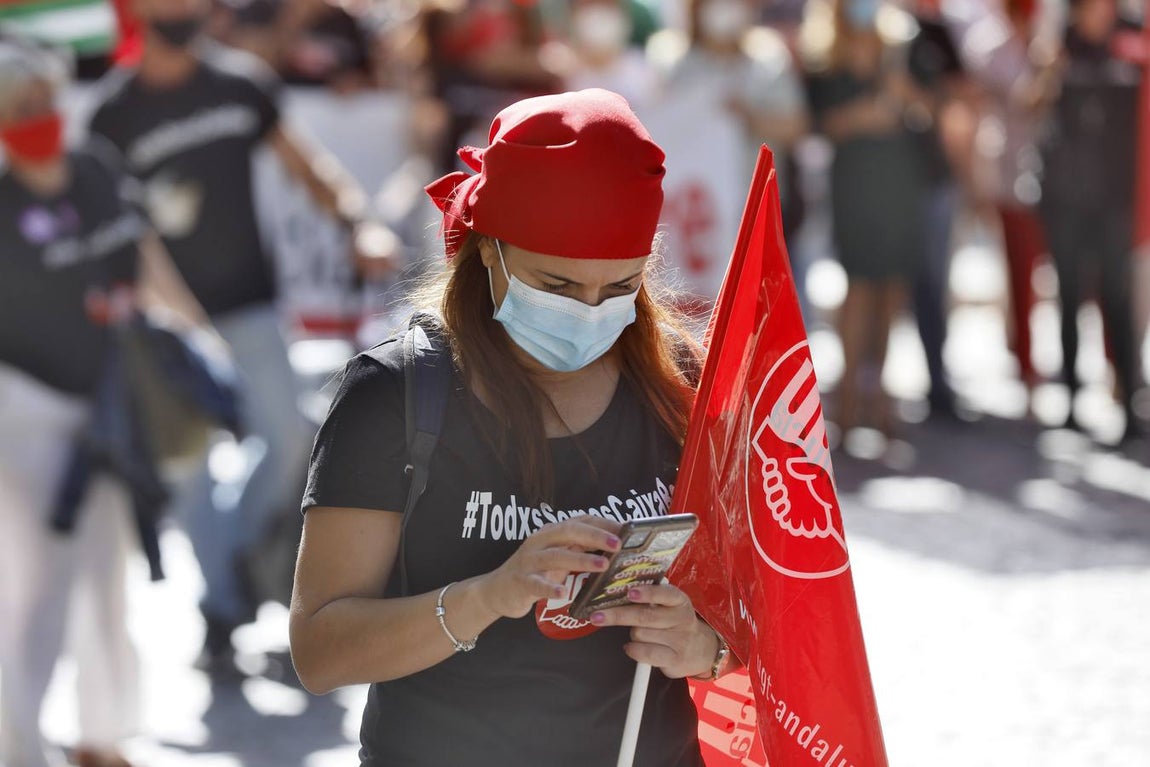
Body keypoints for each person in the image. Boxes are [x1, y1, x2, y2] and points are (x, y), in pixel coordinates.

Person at [289, 89, 732, 766]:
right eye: (556, 286)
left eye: (619, 289)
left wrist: (704, 646)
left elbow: (771, 601)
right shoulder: (396, 395)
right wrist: (490, 594)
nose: (588, 313)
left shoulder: (681, 382)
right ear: (489, 253)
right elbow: (320, 651)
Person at [87, 0, 399, 670]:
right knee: (192, 476)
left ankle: (234, 564)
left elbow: (308, 164)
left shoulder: (239, 83)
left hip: (253, 304)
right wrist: (180, 320)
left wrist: (357, 223)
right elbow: (125, 235)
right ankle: (224, 610)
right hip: (167, 326)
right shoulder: (112, 115)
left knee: (291, 439)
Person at [0, 41, 206, 767]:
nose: (40, 118)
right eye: (20, 108)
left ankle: (102, 735)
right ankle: (19, 745)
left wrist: (200, 342)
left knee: (107, 573)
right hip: (24, 410)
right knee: (32, 589)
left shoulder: (93, 169)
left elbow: (144, 254)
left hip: (110, 403)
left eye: (45, 101)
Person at [804, 0, 927, 437]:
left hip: (898, 184)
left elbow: (921, 109)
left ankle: (879, 397)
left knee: (892, 289)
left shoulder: (900, 48)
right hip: (853, 187)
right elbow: (819, 123)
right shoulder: (824, 57)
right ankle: (849, 400)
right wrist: (863, 117)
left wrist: (896, 87)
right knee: (858, 287)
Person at [1038, 0, 1143, 442]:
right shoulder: (1060, 46)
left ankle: (1130, 401)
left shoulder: (1132, 41)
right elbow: (1031, 102)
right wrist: (1046, 66)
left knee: (1118, 300)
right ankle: (1071, 400)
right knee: (1068, 296)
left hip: (1116, 197)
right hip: (1066, 196)